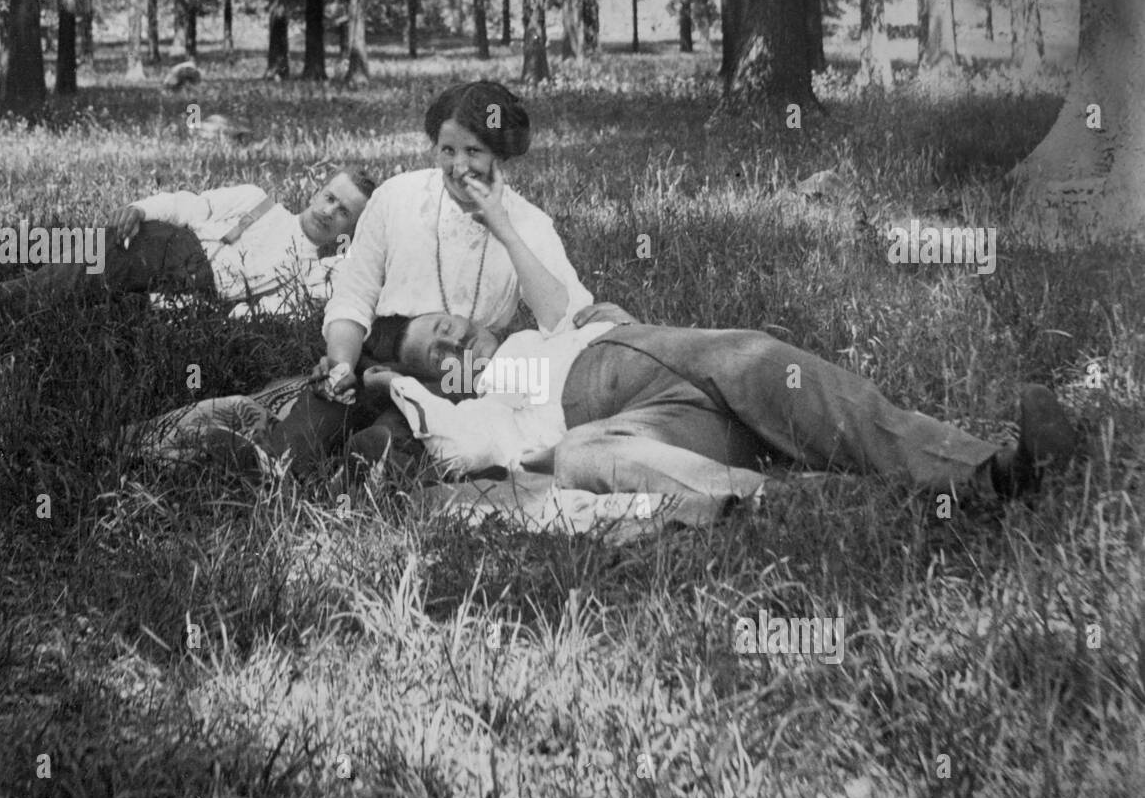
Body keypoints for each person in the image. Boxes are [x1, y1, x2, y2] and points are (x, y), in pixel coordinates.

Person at [370, 308, 1077, 503]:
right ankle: (814, 500)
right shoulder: (481, 404)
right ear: (447, 382)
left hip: (650, 355)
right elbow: (464, 447)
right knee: (588, 453)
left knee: (763, 364)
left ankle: (994, 471)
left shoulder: (545, 328)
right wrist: (384, 381)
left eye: (446, 325)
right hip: (640, 423)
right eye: (437, 354)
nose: (454, 340)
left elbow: (543, 258)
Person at [270, 80, 595, 473]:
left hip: (461, 372)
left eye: (474, 152)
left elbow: (563, 318)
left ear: (500, 154)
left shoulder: (529, 224)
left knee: (396, 439)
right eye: (448, 151)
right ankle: (280, 460)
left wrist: (503, 228)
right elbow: (355, 294)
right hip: (378, 352)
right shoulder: (397, 197)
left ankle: (375, 461)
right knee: (296, 445)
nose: (459, 168)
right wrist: (341, 363)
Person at [0, 167, 376, 322]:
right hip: (172, 246)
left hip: (197, 291)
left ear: (347, 231)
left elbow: (267, 314)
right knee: (81, 269)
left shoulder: (315, 274)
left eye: (343, 212)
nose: (328, 210)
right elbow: (190, 205)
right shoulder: (258, 203)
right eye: (329, 196)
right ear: (317, 189)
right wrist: (142, 209)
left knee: (76, 284)